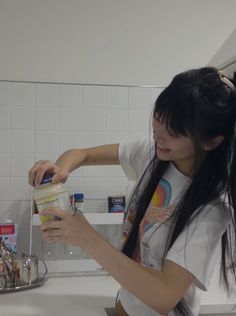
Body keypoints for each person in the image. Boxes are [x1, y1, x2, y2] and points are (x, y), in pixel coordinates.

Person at [28, 67, 236, 316]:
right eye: (158, 119)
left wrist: (87, 238)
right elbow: (80, 154)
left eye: (174, 132)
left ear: (211, 142)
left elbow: (163, 296)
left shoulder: (212, 207)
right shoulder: (153, 153)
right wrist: (58, 171)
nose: (158, 136)